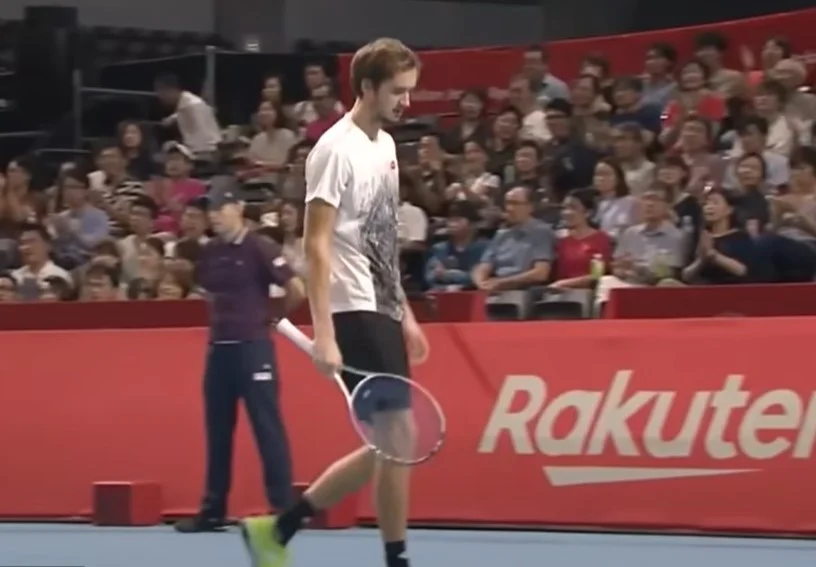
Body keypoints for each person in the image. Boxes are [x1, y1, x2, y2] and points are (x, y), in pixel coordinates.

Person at [240, 38, 429, 567]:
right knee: (399, 435)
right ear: (367, 87)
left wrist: (406, 313)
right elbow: (316, 243)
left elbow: (380, 239)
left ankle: (278, 530)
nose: (407, 102)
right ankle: (396, 559)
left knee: (390, 443)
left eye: (410, 91)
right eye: (398, 91)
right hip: (350, 307)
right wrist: (323, 331)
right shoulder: (333, 150)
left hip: (380, 305)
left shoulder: (385, 147)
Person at [174, 176, 306, 533]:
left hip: (253, 348)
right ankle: (212, 509)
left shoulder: (260, 247)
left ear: (239, 207)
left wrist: (271, 317)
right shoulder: (210, 252)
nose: (214, 215)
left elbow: (296, 288)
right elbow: (209, 292)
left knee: (267, 427)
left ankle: (283, 509)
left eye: (221, 207)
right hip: (220, 350)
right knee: (217, 431)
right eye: (211, 209)